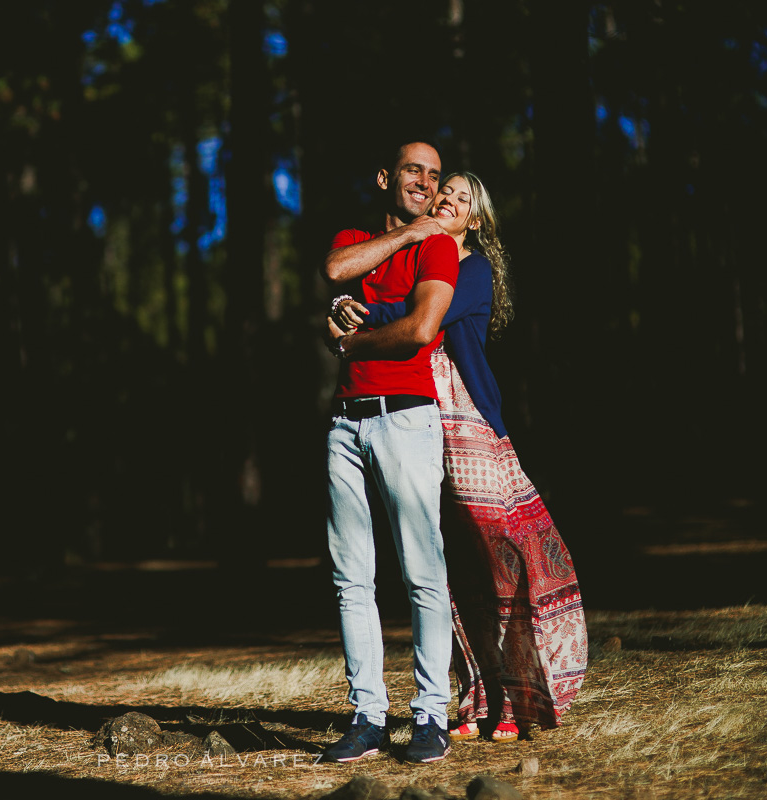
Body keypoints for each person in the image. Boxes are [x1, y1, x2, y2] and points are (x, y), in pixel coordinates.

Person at [332, 172, 588, 744]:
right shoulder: (423, 255)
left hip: (467, 418)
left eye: (461, 198)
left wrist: (356, 316)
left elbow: (421, 318)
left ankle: (521, 698)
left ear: (476, 220)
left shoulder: (470, 268)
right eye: (443, 192)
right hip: (423, 420)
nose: (446, 199)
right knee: (454, 571)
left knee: (496, 555)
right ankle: (476, 696)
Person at [317, 141, 458, 765]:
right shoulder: (359, 236)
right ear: (385, 178)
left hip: (406, 419)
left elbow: (422, 330)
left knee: (422, 573)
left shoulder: (440, 246)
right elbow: (335, 270)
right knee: (353, 578)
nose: (425, 183)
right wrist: (403, 238)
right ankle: (368, 716)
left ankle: (431, 716)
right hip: (345, 426)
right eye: (412, 171)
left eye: (433, 175)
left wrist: (355, 338)